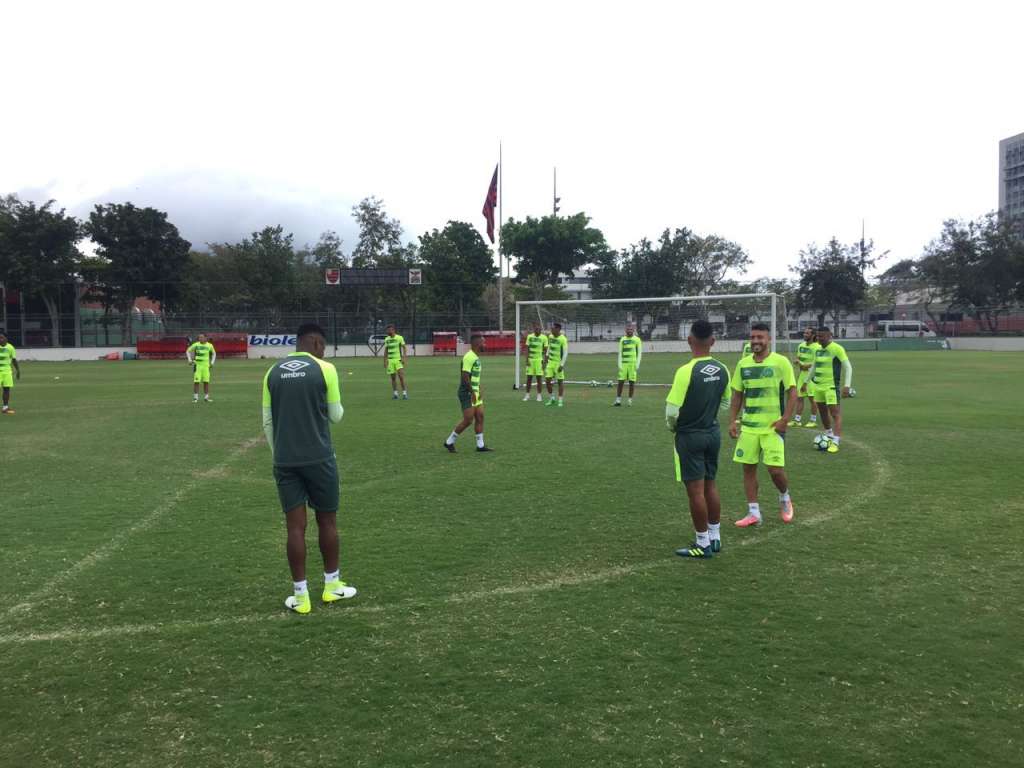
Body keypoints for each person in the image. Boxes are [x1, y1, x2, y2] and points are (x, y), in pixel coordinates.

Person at [262, 323, 356, 615]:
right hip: (320, 458)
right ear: (315, 342)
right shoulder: (325, 369)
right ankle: (332, 586)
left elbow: (267, 422)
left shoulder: (272, 371)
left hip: (285, 461)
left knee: (294, 528)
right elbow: (337, 416)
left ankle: (301, 597)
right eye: (323, 346)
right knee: (327, 522)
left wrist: (281, 455)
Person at [665, 320, 730, 559]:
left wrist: (673, 427)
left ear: (689, 340)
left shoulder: (685, 371)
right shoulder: (723, 368)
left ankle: (701, 543)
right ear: (713, 341)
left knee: (695, 491)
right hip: (712, 433)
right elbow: (726, 401)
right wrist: (708, 415)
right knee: (711, 484)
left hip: (690, 435)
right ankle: (715, 537)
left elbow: (672, 411)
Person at [728, 323, 798, 527]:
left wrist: (785, 419)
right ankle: (753, 512)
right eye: (753, 337)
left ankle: (785, 497)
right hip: (749, 427)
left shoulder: (780, 362)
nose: (756, 341)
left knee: (775, 470)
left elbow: (792, 392)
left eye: (760, 337)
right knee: (748, 469)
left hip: (772, 428)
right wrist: (732, 420)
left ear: (768, 339)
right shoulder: (743, 364)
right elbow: (737, 395)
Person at [444, 334, 492, 452]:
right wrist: (472, 392)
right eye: (483, 343)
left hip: (474, 391)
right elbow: (465, 377)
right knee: (468, 420)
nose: (485, 345)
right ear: (477, 344)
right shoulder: (469, 357)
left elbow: (474, 376)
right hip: (467, 392)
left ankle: (480, 445)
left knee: (480, 416)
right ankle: (449, 442)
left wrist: (479, 388)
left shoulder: (475, 357)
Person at [811, 326, 853, 454]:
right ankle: (828, 434)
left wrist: (847, 385)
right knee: (823, 413)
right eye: (817, 336)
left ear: (829, 335)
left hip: (831, 386)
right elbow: (814, 366)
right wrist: (807, 382)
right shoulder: (817, 349)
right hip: (818, 386)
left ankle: (835, 441)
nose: (819, 338)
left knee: (835, 414)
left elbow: (848, 367)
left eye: (821, 336)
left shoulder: (837, 348)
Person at [788, 327, 820, 428]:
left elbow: (816, 363)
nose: (805, 335)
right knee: (800, 398)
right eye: (805, 333)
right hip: (802, 375)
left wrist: (803, 364)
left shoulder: (817, 347)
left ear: (813, 335)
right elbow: (798, 357)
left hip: (812, 376)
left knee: (812, 398)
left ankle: (813, 420)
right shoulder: (801, 345)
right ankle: (797, 420)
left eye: (807, 333)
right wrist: (798, 361)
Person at [614, 323, 643, 407]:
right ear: (625, 330)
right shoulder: (622, 339)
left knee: (631, 383)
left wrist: (637, 364)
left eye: (631, 329)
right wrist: (619, 363)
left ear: (633, 330)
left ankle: (630, 400)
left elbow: (639, 353)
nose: (629, 331)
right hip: (623, 364)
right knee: (620, 382)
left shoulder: (637, 339)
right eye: (628, 329)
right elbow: (620, 352)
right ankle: (618, 400)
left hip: (632, 364)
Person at [522, 322, 549, 402]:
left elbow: (546, 350)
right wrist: (527, 360)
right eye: (536, 329)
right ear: (534, 329)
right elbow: (527, 348)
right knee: (529, 378)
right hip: (531, 360)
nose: (538, 330)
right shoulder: (530, 337)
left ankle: (539, 395)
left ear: (540, 329)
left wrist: (544, 362)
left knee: (539, 378)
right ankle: (527, 395)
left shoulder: (544, 338)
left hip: (539, 360)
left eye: (539, 329)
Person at [187, 333, 216, 403]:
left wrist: (212, 363)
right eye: (199, 337)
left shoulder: (210, 345)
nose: (200, 339)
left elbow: (214, 353)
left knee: (206, 382)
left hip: (206, 366)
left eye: (201, 337)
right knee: (196, 382)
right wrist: (190, 360)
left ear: (206, 338)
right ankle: (195, 398)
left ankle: (206, 398)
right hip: (198, 366)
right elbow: (188, 351)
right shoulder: (196, 344)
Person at [544, 322, 568, 407]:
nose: (551, 330)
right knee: (547, 381)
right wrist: (546, 356)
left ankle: (560, 400)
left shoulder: (563, 339)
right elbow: (549, 347)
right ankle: (552, 398)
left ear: (558, 329)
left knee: (560, 382)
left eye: (553, 328)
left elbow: (565, 353)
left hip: (558, 363)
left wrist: (562, 365)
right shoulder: (550, 336)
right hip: (550, 362)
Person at [383, 324, 408, 400]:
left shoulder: (399, 338)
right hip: (390, 361)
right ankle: (395, 394)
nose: (388, 331)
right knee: (393, 378)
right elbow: (386, 350)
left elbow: (404, 348)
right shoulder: (386, 339)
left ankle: (404, 394)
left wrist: (404, 358)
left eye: (389, 330)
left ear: (393, 330)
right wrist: (385, 361)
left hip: (398, 360)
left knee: (401, 377)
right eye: (387, 330)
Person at [0, 331, 21, 415]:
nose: (0, 339)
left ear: (6, 338)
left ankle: (5, 407)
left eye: (1, 337)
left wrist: (18, 370)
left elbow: (14, 360)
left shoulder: (10, 348)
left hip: (7, 371)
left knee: (6, 389)